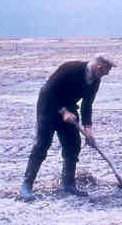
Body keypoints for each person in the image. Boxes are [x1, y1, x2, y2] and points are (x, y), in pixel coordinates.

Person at [20, 55, 116, 201]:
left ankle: (68, 184)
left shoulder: (96, 79)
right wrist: (63, 111)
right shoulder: (70, 69)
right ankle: (26, 186)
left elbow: (87, 105)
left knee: (73, 144)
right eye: (106, 70)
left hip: (70, 109)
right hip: (48, 107)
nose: (107, 74)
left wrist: (88, 129)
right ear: (99, 67)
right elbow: (48, 92)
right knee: (42, 145)